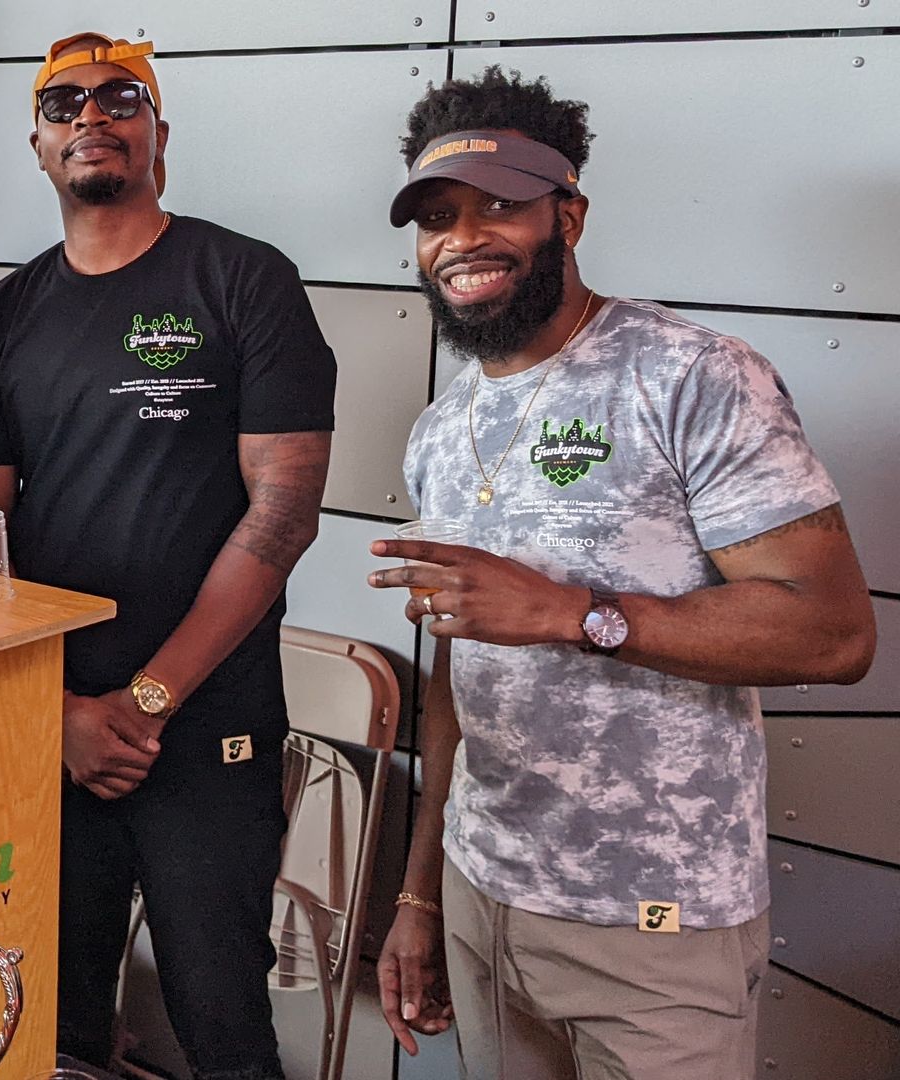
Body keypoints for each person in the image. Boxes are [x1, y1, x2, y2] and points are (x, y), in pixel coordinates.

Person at [370, 67, 877, 1079]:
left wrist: (572, 613)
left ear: (571, 215)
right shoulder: (440, 429)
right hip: (482, 897)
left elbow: (833, 633)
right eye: (436, 217)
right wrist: (420, 895)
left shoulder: (691, 376)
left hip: (656, 925)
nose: (462, 239)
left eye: (501, 205)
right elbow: (453, 685)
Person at [0, 33, 337, 1080]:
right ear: (36, 143)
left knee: (221, 1021)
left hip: (206, 728)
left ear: (159, 133)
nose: (92, 115)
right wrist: (55, 713)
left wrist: (150, 700)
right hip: (53, 726)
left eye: (121, 97)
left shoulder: (245, 281)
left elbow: (285, 513)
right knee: (47, 1020)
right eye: (63, 102)